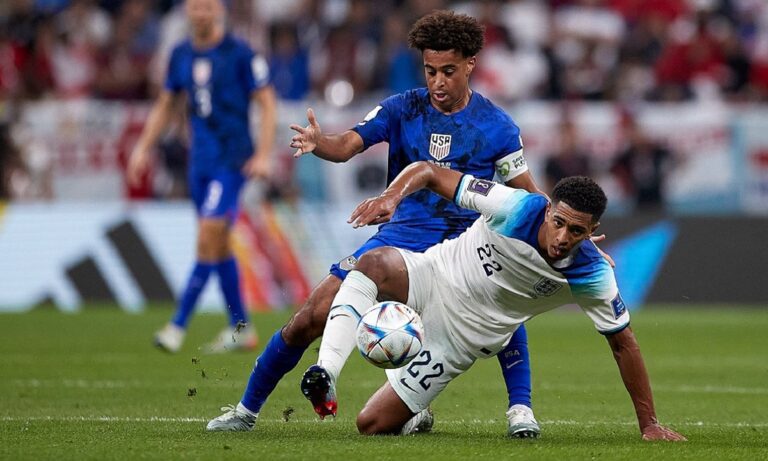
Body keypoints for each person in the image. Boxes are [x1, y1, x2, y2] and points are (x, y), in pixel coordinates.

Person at [207, 10, 543, 437]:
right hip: (399, 239)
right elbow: (348, 144)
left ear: (470, 64)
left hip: (463, 247)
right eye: (430, 71)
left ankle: (520, 411)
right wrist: (319, 143)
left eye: (448, 71)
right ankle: (245, 411)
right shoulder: (403, 107)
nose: (437, 82)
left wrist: (570, 232)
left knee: (502, 306)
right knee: (309, 316)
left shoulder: (498, 127)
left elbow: (527, 194)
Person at [342, 161, 687, 441]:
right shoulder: (513, 205)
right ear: (548, 209)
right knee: (373, 264)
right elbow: (429, 171)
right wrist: (391, 197)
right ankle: (325, 365)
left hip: (459, 339)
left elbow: (624, 344)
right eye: (559, 222)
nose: (563, 238)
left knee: (370, 424)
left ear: (592, 230)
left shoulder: (593, 274)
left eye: (577, 231)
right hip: (434, 275)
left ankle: (418, 413)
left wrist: (649, 424)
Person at [127, 0, 277, 353]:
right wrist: (143, 147)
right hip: (199, 164)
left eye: (207, 7)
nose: (201, 13)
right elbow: (166, 103)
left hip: (232, 162)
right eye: (195, 7)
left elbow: (267, 102)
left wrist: (263, 154)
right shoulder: (180, 53)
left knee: (209, 235)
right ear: (187, 11)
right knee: (218, 244)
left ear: (219, 11)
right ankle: (241, 328)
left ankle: (177, 325)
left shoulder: (240, 53)